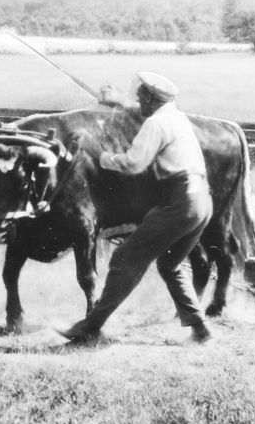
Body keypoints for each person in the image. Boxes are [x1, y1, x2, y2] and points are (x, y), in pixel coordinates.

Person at [57, 71, 214, 345]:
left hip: (179, 203)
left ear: (151, 99)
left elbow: (133, 163)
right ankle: (200, 330)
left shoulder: (155, 124)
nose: (138, 102)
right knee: (169, 264)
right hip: (201, 201)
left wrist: (100, 155)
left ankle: (90, 326)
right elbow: (141, 112)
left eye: (141, 98)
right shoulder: (176, 117)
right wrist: (117, 101)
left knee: (124, 258)